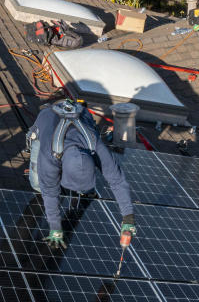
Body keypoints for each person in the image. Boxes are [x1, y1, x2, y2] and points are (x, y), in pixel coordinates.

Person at [26, 99, 136, 249]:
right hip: (47, 121)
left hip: (81, 118)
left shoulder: (96, 145)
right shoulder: (50, 153)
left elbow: (117, 179)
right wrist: (55, 228)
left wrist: (128, 217)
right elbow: (50, 192)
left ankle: (82, 188)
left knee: (83, 189)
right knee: (38, 183)